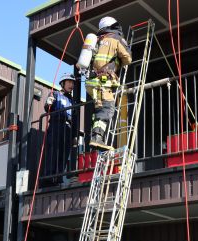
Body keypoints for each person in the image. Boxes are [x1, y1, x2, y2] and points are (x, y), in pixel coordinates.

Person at [84, 16, 132, 150]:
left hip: (91, 82)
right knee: (107, 108)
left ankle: (95, 136)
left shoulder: (96, 40)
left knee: (100, 108)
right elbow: (128, 58)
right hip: (103, 81)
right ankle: (97, 138)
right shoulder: (116, 38)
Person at [44, 74, 76, 178]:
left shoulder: (72, 101)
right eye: (69, 82)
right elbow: (47, 108)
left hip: (68, 129)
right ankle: (49, 177)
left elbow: (75, 119)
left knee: (64, 153)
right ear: (63, 83)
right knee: (53, 151)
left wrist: (74, 136)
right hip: (56, 125)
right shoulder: (55, 94)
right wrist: (48, 103)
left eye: (72, 83)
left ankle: (59, 177)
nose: (71, 85)